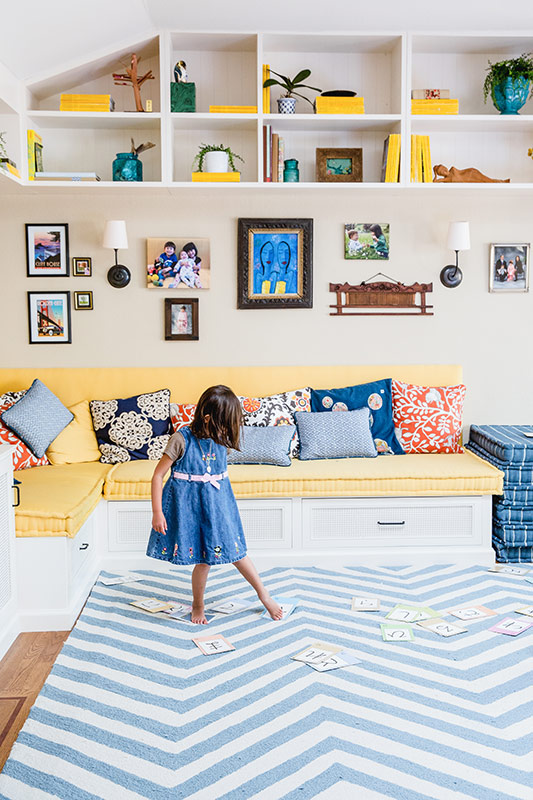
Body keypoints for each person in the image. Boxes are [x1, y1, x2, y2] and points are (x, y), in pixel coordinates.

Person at [147, 385, 283, 623]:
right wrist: (158, 512)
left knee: (238, 553)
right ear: (208, 418)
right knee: (204, 561)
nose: (228, 430)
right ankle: (197, 605)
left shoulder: (221, 440)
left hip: (219, 508)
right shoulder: (181, 439)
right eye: (225, 423)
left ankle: (264, 596)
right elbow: (158, 475)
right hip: (190, 507)